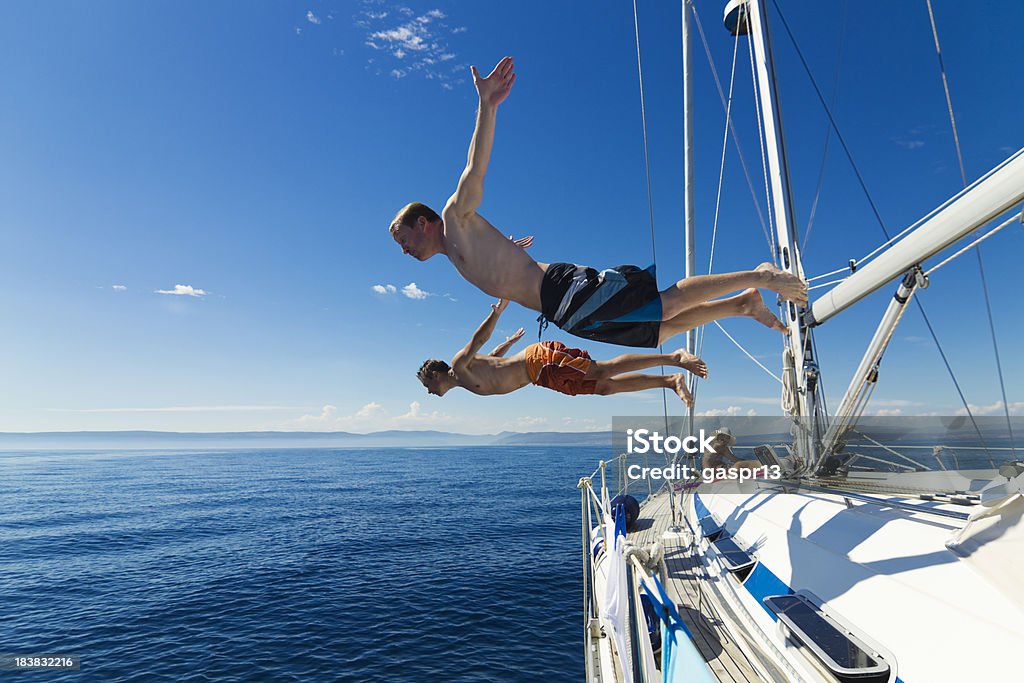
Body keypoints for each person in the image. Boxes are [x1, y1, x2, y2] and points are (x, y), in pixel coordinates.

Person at [389, 56, 807, 348]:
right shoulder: (457, 252)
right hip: (561, 314)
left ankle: (761, 277)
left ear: (423, 223)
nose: (404, 250)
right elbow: (499, 268)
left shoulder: (453, 216)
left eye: (403, 238)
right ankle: (741, 304)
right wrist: (507, 252)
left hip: (561, 292)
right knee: (655, 331)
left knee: (665, 305)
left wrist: (487, 106)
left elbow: (474, 170)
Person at [416, 299, 709, 406]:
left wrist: (498, 311)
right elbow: (493, 357)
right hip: (541, 377)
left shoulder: (458, 363)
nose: (428, 391)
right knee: (603, 388)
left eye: (427, 384)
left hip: (539, 361)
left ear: (435, 373)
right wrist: (510, 343)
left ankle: (674, 358)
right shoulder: (466, 378)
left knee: (602, 370)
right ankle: (669, 381)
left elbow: (478, 341)